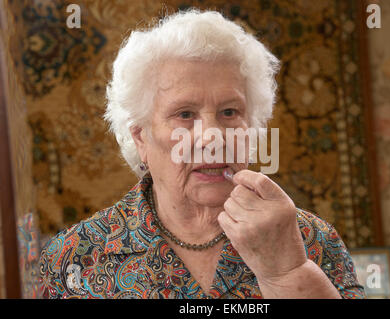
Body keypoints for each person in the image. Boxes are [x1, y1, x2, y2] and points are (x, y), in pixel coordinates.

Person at [39, 9, 365, 299]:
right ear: (141, 137)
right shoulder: (76, 258)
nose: (213, 138)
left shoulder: (311, 241)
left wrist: (287, 274)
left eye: (228, 111)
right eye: (184, 114)